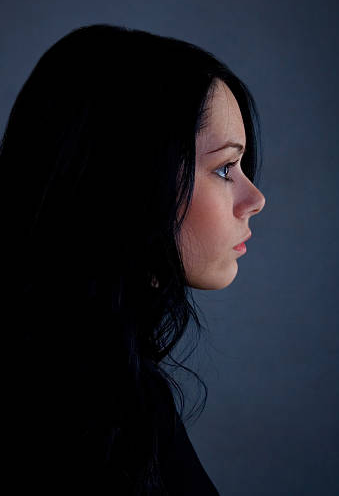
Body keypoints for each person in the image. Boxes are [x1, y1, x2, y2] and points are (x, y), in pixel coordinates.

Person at [0, 24, 265, 495]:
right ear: (131, 179)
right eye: (225, 168)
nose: (255, 198)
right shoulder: (88, 410)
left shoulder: (76, 377)